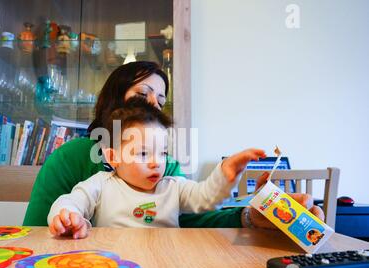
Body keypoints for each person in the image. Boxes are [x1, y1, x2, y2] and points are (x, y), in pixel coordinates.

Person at [23, 61, 324, 229]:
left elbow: (200, 211)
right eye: (144, 95)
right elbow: (41, 227)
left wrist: (252, 213)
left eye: (162, 100)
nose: (155, 105)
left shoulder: (167, 175)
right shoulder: (78, 164)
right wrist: (68, 218)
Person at [48, 99, 266, 238]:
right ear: (113, 157)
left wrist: (226, 173)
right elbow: (70, 201)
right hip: (114, 263)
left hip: (166, 262)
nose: (156, 163)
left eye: (162, 153)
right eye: (143, 153)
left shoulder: (173, 187)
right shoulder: (101, 184)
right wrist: (68, 217)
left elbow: (206, 197)